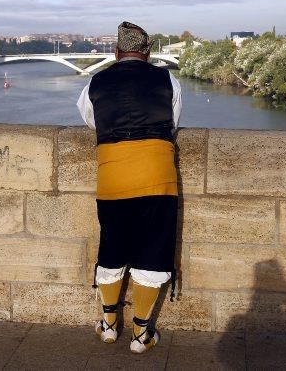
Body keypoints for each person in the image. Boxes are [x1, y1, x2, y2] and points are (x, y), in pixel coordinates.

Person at [77, 21, 182, 354]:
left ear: (116, 52)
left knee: (112, 246)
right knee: (153, 249)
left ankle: (109, 326)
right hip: (157, 176)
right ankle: (141, 335)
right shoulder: (169, 80)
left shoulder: (95, 81)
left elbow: (92, 120)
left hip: (113, 177)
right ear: (147, 53)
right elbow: (173, 123)